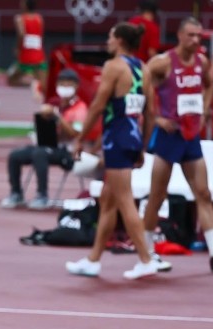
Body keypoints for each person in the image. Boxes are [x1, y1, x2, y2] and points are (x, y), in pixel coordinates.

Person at [66, 23, 158, 280]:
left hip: (116, 139)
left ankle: (146, 259)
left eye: (109, 37)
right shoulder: (144, 68)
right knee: (108, 200)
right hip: (131, 138)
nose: (107, 41)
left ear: (118, 40)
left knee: (125, 200)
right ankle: (93, 260)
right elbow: (150, 113)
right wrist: (142, 146)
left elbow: (97, 105)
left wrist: (80, 139)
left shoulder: (114, 66)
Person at [142, 18, 213, 272]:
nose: (196, 41)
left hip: (190, 136)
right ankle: (147, 252)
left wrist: (204, 109)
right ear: (180, 35)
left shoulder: (201, 62)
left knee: (203, 193)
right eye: (191, 35)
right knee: (157, 196)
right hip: (169, 137)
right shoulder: (162, 63)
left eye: (199, 36)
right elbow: (142, 89)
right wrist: (157, 118)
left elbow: (208, 86)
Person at [3, 68, 98, 210]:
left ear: (76, 86)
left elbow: (76, 134)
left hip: (68, 152)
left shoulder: (80, 108)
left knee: (39, 154)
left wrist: (57, 117)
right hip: (48, 145)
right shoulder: (54, 104)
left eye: (68, 84)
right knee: (15, 155)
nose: (64, 87)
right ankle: (16, 193)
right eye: (62, 83)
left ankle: (42, 196)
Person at [7, 0, 47, 100]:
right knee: (43, 84)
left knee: (11, 80)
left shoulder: (19, 19)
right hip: (39, 54)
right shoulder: (39, 18)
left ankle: (30, 84)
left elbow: (21, 34)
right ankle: (35, 84)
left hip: (26, 55)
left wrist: (18, 48)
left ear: (25, 5)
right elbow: (40, 35)